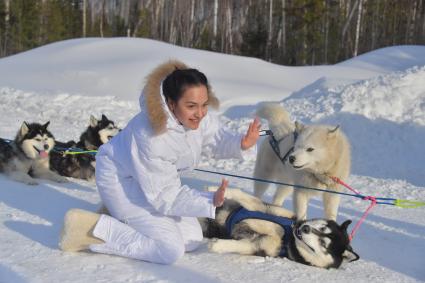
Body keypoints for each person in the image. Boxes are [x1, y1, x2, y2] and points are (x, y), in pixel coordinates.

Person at [59, 60, 260, 264]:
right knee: (169, 250)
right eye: (191, 106)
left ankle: (123, 218)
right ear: (171, 103)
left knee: (192, 239)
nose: (200, 113)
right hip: (121, 182)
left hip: (151, 181)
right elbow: (166, 197)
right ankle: (93, 230)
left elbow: (215, 137)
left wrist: (240, 143)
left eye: (204, 105)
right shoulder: (153, 136)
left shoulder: (193, 117)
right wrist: (209, 201)